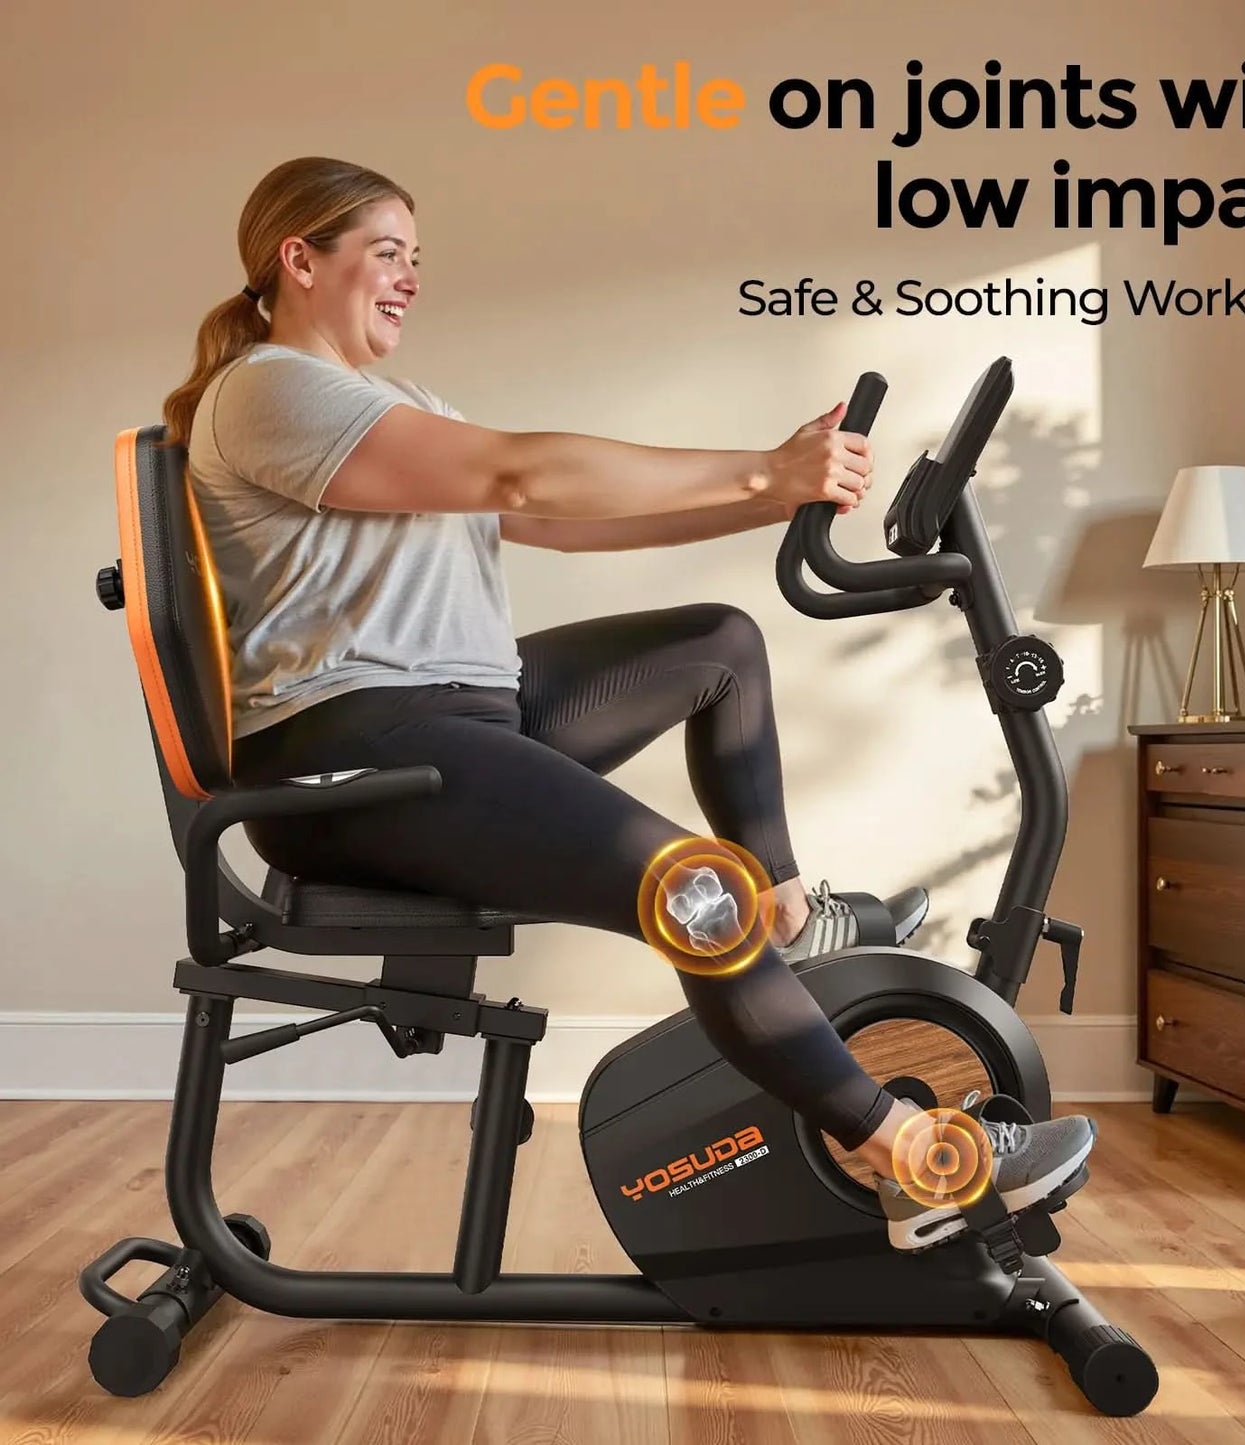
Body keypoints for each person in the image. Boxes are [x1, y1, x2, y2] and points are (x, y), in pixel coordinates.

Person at [163, 155, 1095, 1251]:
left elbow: (556, 521)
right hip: (352, 759)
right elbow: (521, 477)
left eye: (416, 257)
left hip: (452, 719)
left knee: (717, 646)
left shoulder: (392, 404)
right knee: (694, 890)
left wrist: (771, 495)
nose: (411, 277)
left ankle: (788, 919)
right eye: (387, 253)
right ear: (300, 259)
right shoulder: (270, 389)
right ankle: (912, 1158)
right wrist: (759, 469)